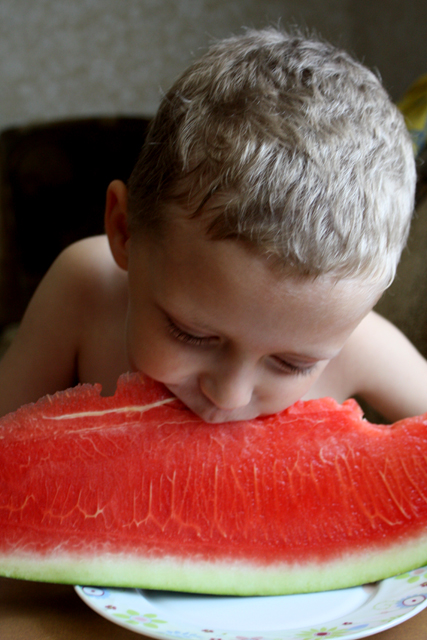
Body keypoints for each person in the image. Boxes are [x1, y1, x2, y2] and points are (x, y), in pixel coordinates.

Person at [0, 27, 426, 423]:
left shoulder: (360, 346)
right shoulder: (84, 288)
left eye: (291, 364)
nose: (229, 396)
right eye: (192, 335)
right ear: (125, 230)